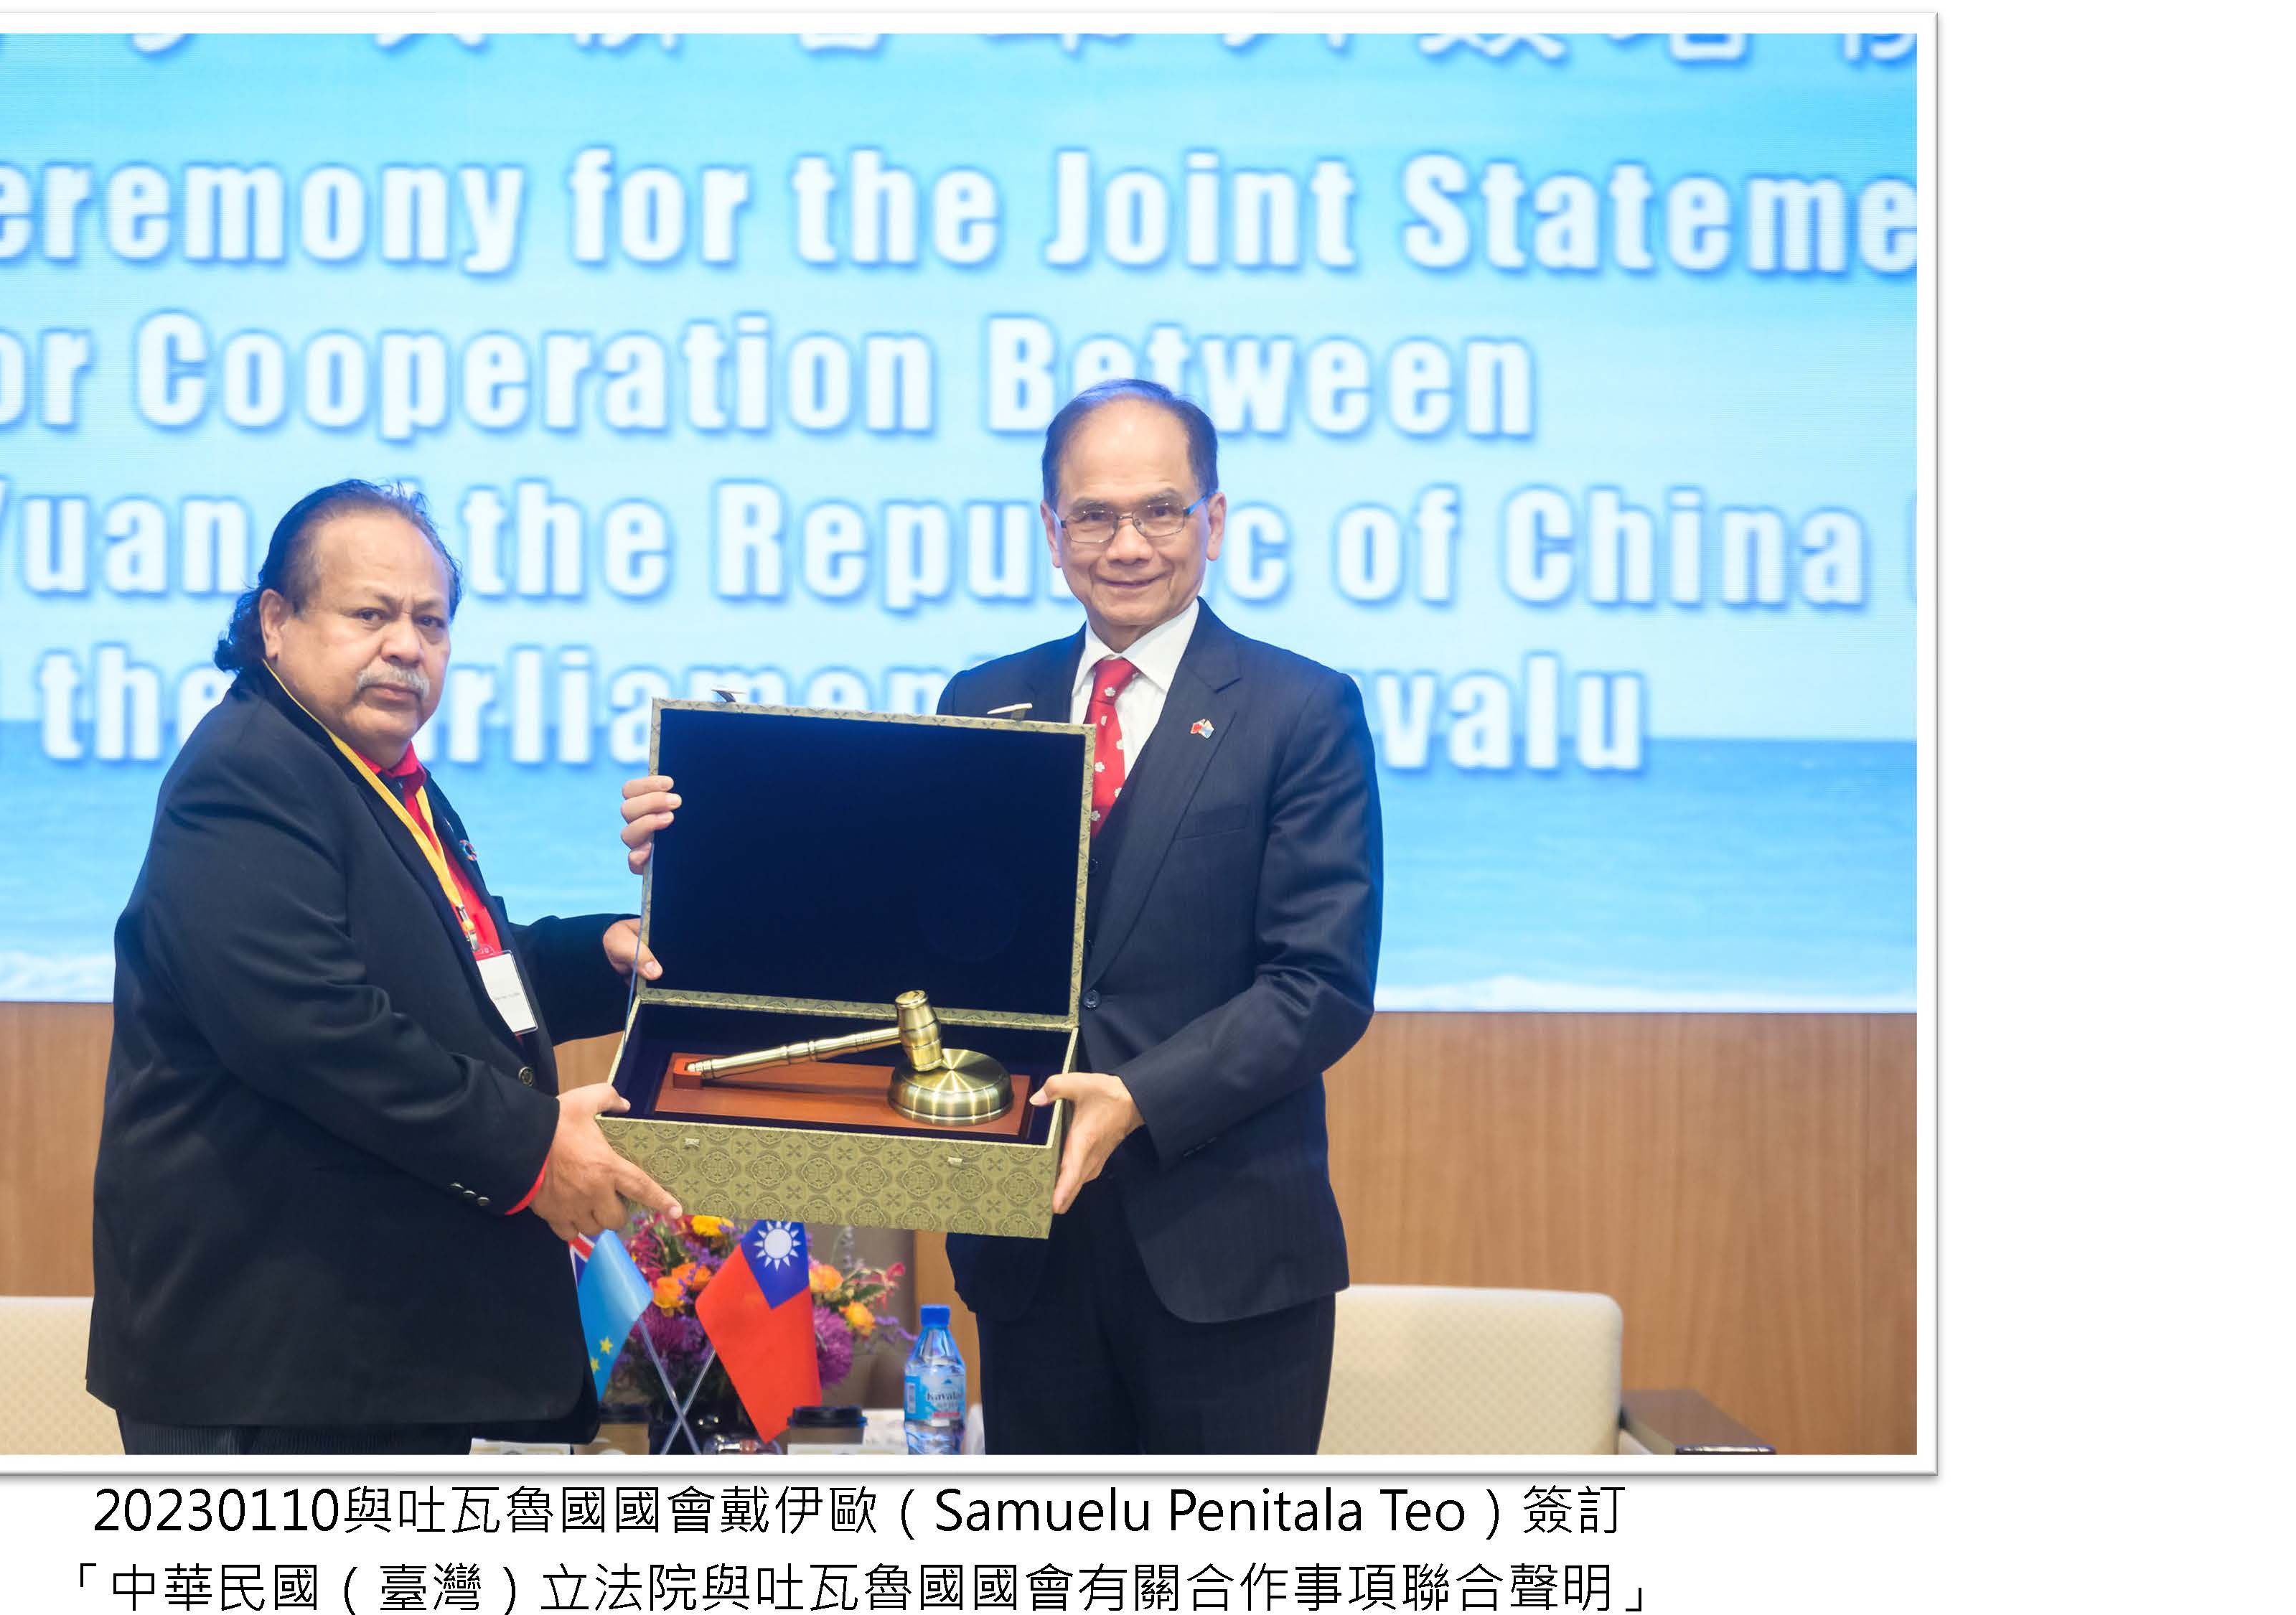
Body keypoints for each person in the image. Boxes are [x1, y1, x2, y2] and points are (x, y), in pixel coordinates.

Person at [620, 380, 1381, 1453]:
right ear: (1052, 533)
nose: (1128, 544)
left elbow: (1320, 983)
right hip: (1029, 1255)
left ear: (1213, 520)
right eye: (1094, 515)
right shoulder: (984, 701)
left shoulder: (1301, 709)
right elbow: (909, 943)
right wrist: (707, 855)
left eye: (1160, 511)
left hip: (1227, 1256)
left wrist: (1139, 1097)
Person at [89, 479, 680, 1457]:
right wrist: (535, 1146)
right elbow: (314, 1027)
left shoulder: (372, 771)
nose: (408, 645)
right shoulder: (247, 770)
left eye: (431, 621)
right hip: (278, 1367)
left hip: (375, 1356)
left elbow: (456, 974)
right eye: (371, 614)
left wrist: (600, 956)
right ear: (275, 622)